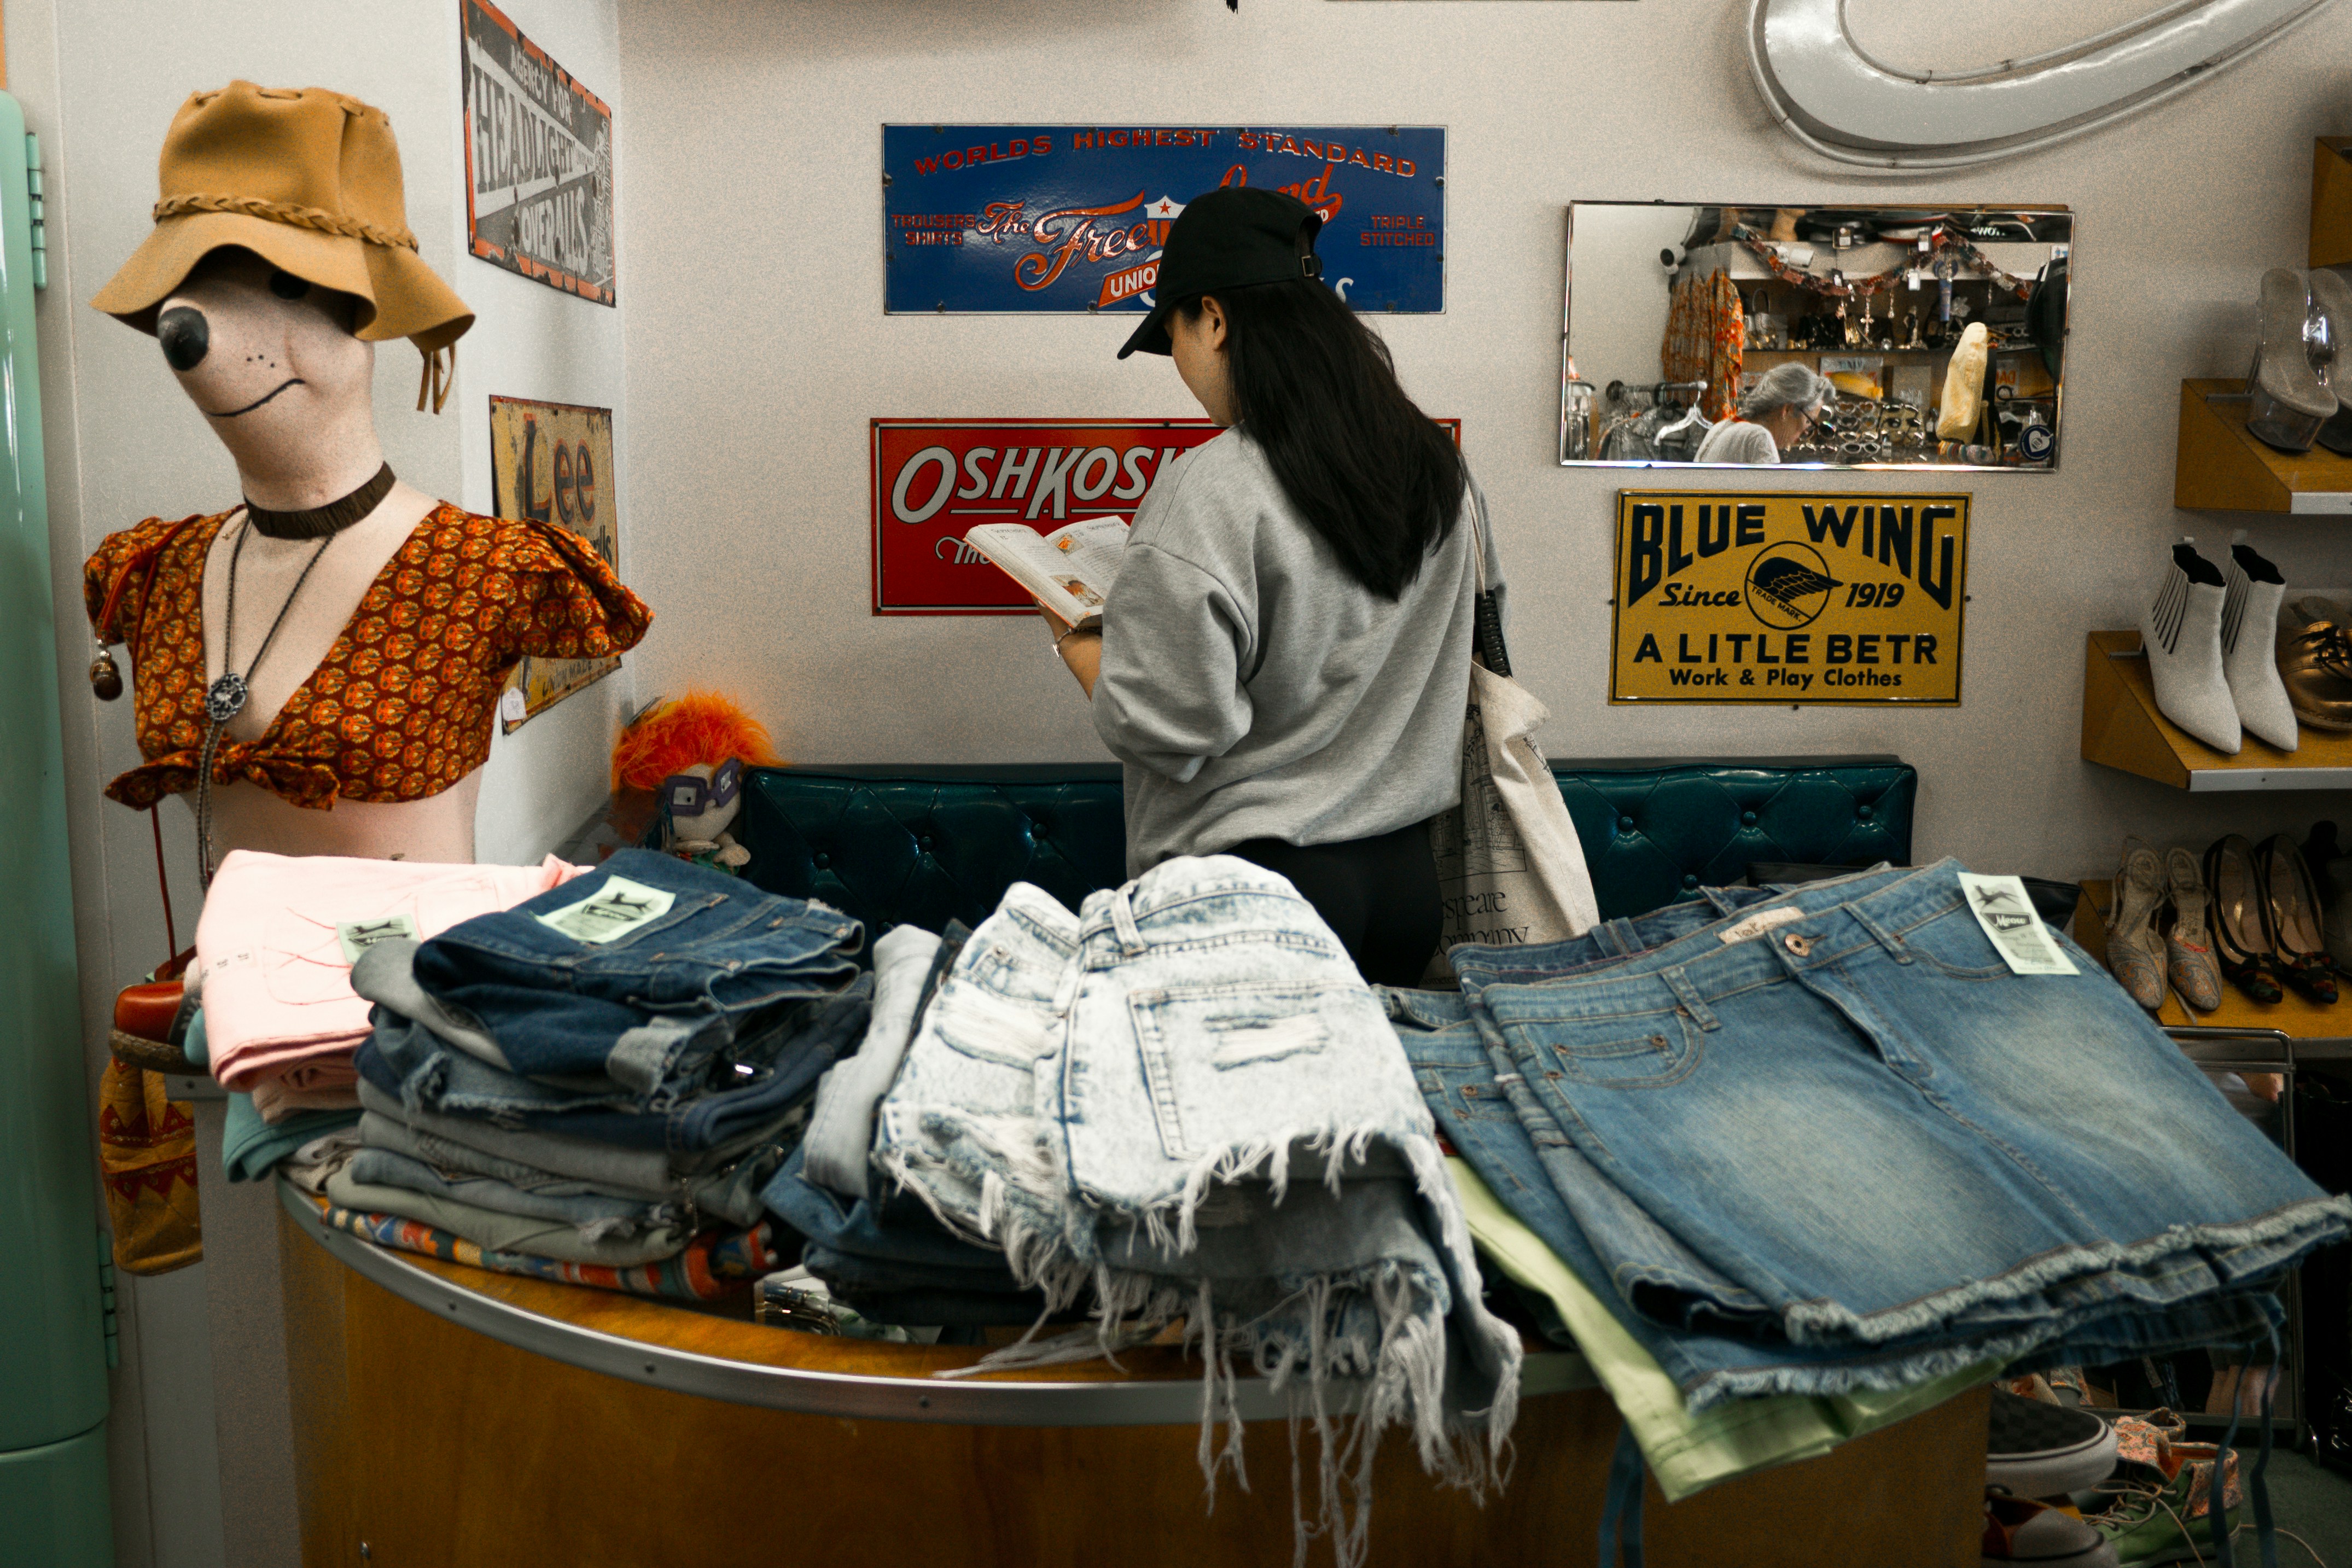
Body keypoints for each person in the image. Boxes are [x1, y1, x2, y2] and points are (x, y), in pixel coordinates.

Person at [1038, 187, 1497, 987]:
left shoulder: (1212, 485)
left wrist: (1074, 636)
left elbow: (1171, 727)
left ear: (1213, 319)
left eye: (1174, 335)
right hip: (1404, 888)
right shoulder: (1437, 467)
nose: (1182, 370)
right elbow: (1462, 649)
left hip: (1253, 896)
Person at [1690, 362, 1832, 464]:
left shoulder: (1722, 427)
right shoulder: (1759, 438)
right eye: (1808, 421)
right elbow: (1772, 497)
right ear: (1787, 410)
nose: (1806, 432)